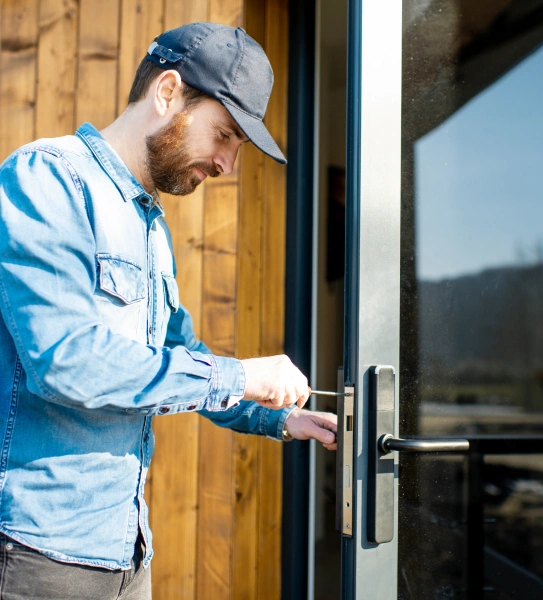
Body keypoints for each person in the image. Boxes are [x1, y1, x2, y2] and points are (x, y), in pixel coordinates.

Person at [0, 22, 336, 599]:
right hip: (40, 557)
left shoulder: (151, 227)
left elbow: (181, 358)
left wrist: (277, 418)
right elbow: (66, 360)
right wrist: (241, 375)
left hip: (129, 551)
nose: (228, 164)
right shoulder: (48, 178)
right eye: (225, 135)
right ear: (167, 92)